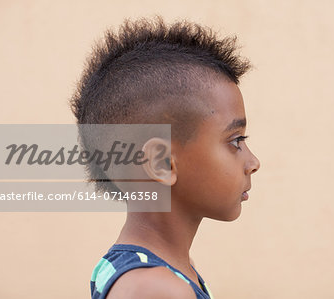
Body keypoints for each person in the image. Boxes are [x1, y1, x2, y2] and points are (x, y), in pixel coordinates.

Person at [70, 16, 260, 299]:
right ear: (161, 163)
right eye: (236, 141)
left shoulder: (166, 272)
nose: (253, 163)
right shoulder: (154, 288)